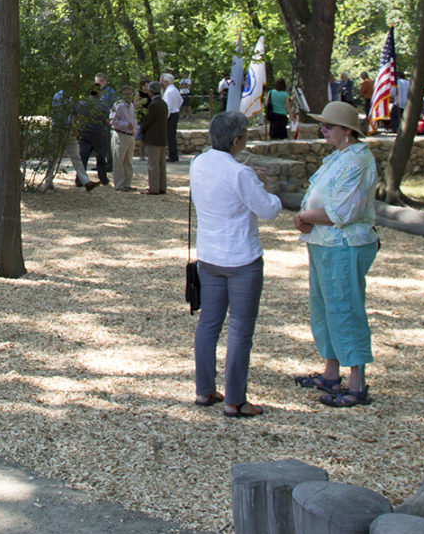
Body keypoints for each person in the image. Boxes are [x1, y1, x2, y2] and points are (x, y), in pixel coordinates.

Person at [188, 110, 283, 418]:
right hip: (242, 258)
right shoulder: (240, 174)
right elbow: (268, 210)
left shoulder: (198, 164)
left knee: (208, 325)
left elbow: (223, 183)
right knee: (240, 329)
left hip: (210, 256)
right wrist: (267, 189)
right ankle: (235, 399)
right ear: (237, 140)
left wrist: (250, 177)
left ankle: (204, 390)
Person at [293, 101, 380, 408]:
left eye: (329, 126)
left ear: (347, 130)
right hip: (323, 244)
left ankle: (357, 383)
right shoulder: (339, 157)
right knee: (324, 308)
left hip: (344, 245)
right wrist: (308, 219)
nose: (324, 129)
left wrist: (305, 217)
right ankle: (331, 372)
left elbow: (342, 211)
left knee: (345, 309)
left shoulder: (358, 162)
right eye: (323, 125)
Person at [75, 83, 110, 191]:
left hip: (85, 132)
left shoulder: (81, 103)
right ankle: (103, 178)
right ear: (98, 92)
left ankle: (80, 179)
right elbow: (106, 119)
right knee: (100, 157)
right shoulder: (103, 104)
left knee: (83, 157)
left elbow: (75, 116)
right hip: (99, 133)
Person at [138, 81, 170, 195]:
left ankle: (154, 188)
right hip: (162, 137)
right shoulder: (163, 103)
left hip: (153, 138)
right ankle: (162, 186)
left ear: (151, 91)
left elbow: (148, 120)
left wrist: (141, 128)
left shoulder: (153, 104)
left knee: (153, 164)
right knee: (161, 164)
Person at [108, 86, 138, 191]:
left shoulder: (132, 106)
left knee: (128, 161)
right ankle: (119, 184)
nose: (129, 96)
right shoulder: (118, 106)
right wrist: (126, 124)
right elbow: (112, 121)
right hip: (120, 135)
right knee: (118, 160)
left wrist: (134, 130)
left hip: (130, 136)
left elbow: (134, 119)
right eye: (126, 94)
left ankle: (127, 183)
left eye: (130, 94)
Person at [161, 73, 184, 162]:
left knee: (170, 136)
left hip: (171, 115)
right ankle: (173, 155)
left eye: (163, 82)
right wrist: (176, 107)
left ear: (166, 82)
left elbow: (167, 107)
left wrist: (165, 117)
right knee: (172, 136)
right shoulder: (175, 90)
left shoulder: (168, 92)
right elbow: (181, 101)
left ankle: (173, 156)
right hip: (175, 113)